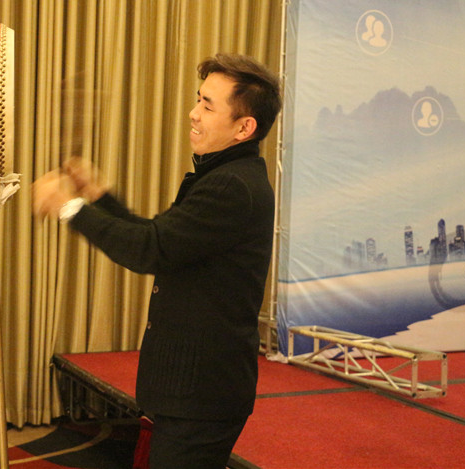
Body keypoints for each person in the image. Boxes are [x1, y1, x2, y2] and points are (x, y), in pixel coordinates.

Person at [32, 53, 281, 469]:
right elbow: (164, 243)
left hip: (203, 393)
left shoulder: (232, 186)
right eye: (198, 100)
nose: (193, 113)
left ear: (244, 127)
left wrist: (68, 207)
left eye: (207, 106)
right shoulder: (225, 176)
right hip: (195, 391)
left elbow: (149, 249)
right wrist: (100, 198)